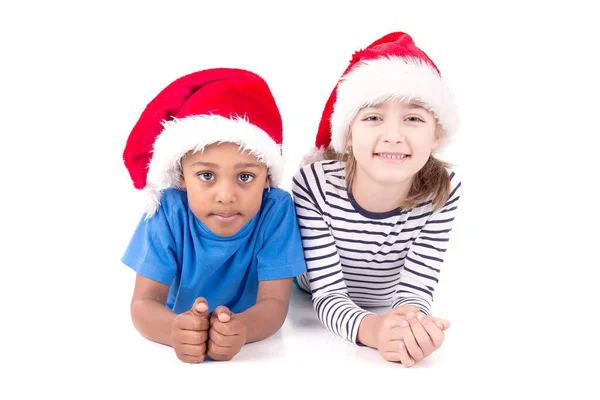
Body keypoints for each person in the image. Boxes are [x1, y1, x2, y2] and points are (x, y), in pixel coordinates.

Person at [292, 32, 461, 367]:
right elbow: (327, 295)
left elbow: (416, 287)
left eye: (413, 118)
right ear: (348, 135)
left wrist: (411, 329)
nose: (394, 136)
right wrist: (375, 332)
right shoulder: (314, 185)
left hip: (384, 299)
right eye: (372, 117)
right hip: (310, 291)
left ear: (436, 135)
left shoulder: (444, 190)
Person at [121, 68, 307, 363]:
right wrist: (173, 329)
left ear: (268, 178)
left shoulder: (276, 211)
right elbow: (144, 302)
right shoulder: (167, 211)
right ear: (181, 177)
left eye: (245, 176)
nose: (226, 195)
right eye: (206, 175)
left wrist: (243, 328)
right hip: (177, 318)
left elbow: (275, 303)